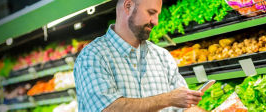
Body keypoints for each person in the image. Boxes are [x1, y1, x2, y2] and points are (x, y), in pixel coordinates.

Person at [73, 0, 203, 111]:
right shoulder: (93, 56)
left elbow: (185, 106)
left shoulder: (162, 56)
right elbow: (108, 108)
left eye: (157, 14)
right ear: (128, 6)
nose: (156, 21)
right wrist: (168, 99)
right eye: (151, 13)